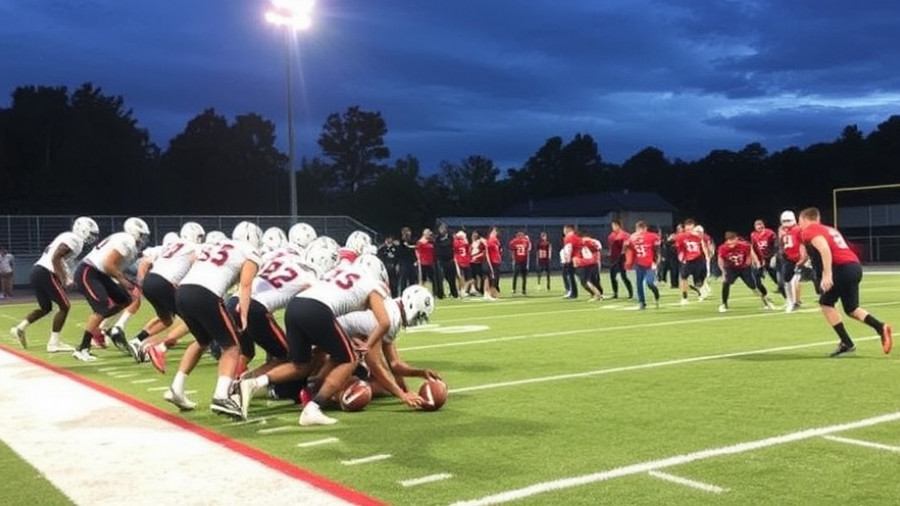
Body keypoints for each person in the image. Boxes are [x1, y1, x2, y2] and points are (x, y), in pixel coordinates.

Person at [236, 255, 421, 426]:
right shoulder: (374, 287)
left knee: (301, 365)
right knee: (349, 360)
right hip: (317, 310)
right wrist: (401, 393)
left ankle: (253, 383)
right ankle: (313, 407)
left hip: (295, 307)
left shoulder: (345, 272)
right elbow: (385, 323)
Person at [163, 221, 262, 417]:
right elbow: (246, 284)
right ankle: (221, 396)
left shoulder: (215, 244)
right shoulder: (250, 251)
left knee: (203, 341)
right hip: (206, 294)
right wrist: (243, 314)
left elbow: (192, 258)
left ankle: (176, 387)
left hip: (183, 291)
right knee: (232, 347)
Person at [797, 207, 893, 357]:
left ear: (804, 219)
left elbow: (825, 249)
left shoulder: (809, 230)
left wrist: (827, 274)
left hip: (840, 268)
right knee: (852, 308)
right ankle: (880, 327)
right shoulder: (828, 229)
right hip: (854, 267)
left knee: (826, 304)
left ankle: (847, 342)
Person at [10, 217, 99, 351]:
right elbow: (56, 257)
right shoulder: (75, 239)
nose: (91, 238)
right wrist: (65, 279)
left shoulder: (67, 237)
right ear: (83, 230)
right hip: (46, 271)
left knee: (46, 308)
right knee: (65, 306)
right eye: (91, 234)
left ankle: (20, 328)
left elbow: (60, 259)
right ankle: (54, 343)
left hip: (38, 270)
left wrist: (67, 275)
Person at [71, 217, 149, 361]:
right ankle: (82, 348)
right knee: (101, 307)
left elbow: (110, 266)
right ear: (135, 232)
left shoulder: (123, 239)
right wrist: (124, 281)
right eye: (142, 235)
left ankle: (100, 327)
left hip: (100, 273)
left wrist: (124, 281)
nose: (144, 239)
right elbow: (108, 265)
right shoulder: (128, 240)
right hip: (89, 271)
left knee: (124, 299)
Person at [126, 222, 205, 363]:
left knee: (166, 319)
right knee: (193, 319)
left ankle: (137, 340)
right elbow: (197, 261)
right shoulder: (194, 247)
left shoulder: (170, 245)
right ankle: (158, 348)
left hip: (150, 281)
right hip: (165, 283)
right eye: (199, 236)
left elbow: (145, 261)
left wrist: (142, 283)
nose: (201, 239)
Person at [716, 232, 776, 313]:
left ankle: (766, 301)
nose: (731, 243)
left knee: (754, 286)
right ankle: (724, 304)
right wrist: (723, 271)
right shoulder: (723, 248)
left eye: (733, 240)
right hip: (731, 268)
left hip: (744, 268)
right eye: (729, 240)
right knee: (725, 283)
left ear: (736, 239)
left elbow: (750, 254)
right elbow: (720, 260)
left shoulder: (744, 245)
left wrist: (755, 262)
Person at [625, 221, 661, 310]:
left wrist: (657, 261)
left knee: (649, 282)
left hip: (650, 263)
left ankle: (655, 292)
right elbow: (628, 250)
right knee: (639, 283)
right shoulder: (632, 237)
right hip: (639, 263)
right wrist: (629, 262)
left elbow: (657, 250)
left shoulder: (651, 236)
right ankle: (642, 302)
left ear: (645, 228)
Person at [675, 219, 710, 304]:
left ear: (694, 227)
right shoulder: (681, 236)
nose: (689, 231)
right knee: (683, 278)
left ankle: (701, 291)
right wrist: (681, 257)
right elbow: (679, 248)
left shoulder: (699, 236)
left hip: (698, 259)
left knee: (698, 281)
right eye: (688, 229)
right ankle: (684, 297)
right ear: (685, 228)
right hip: (687, 260)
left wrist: (707, 257)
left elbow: (705, 245)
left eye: (691, 228)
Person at [750, 218, 782, 296]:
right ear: (755, 227)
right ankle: (761, 289)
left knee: (773, 273)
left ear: (763, 225)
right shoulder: (753, 235)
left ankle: (781, 287)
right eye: (757, 225)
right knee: (756, 273)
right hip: (760, 258)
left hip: (770, 256)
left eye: (760, 225)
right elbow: (753, 247)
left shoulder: (770, 233)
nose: (759, 227)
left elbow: (775, 245)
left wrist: (774, 256)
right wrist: (755, 259)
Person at [573, 231, 604, 301]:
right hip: (596, 262)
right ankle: (600, 294)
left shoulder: (581, 242)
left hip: (586, 263)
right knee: (595, 280)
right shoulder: (596, 241)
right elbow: (599, 249)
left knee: (586, 281)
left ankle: (596, 294)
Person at [607, 220, 633, 299]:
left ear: (618, 226)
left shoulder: (625, 235)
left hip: (622, 258)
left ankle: (630, 293)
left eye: (614, 226)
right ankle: (615, 293)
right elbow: (611, 247)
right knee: (612, 276)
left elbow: (627, 246)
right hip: (613, 258)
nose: (613, 227)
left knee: (623, 276)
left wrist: (623, 254)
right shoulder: (611, 236)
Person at [434, 223, 458, 299]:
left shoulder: (451, 237)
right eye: (440, 229)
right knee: (440, 278)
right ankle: (440, 294)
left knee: (451, 278)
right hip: (441, 261)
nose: (442, 230)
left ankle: (454, 293)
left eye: (443, 228)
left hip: (450, 260)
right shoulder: (437, 239)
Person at [508, 230, 531, 295]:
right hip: (521, 261)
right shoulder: (525, 241)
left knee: (518, 276)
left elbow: (511, 249)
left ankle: (516, 289)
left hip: (520, 261)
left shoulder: (514, 242)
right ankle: (521, 290)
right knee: (521, 276)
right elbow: (529, 248)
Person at [453, 230, 475, 296]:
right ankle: (463, 290)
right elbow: (469, 250)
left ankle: (461, 290)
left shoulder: (455, 242)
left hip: (459, 260)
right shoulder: (464, 242)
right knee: (467, 278)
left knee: (460, 276)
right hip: (465, 260)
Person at [561, 225, 580, 299]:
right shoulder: (576, 236)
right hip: (579, 259)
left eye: (564, 230)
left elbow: (569, 248)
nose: (563, 231)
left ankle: (572, 293)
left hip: (573, 259)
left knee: (570, 276)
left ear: (568, 229)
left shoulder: (568, 237)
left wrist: (567, 260)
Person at [415, 228, 437, 294]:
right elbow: (417, 251)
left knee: (432, 278)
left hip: (430, 262)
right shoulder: (420, 242)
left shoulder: (431, 242)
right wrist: (418, 259)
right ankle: (422, 292)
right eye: (428, 234)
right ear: (425, 234)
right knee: (423, 279)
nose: (429, 235)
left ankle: (433, 292)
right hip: (423, 262)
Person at [397, 227, 417, 293]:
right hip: (403, 263)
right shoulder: (400, 242)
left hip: (412, 262)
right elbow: (399, 253)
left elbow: (415, 250)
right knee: (403, 280)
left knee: (412, 279)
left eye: (408, 232)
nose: (407, 234)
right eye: (405, 232)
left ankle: (413, 293)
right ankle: (403, 294)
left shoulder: (413, 241)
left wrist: (415, 260)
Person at [469, 230, 488, 297]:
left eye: (475, 234)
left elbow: (484, 251)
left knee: (481, 276)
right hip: (472, 262)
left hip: (478, 262)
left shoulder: (481, 241)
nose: (473, 236)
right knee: (472, 276)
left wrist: (476, 257)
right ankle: (473, 289)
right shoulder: (472, 243)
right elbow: (470, 252)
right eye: (473, 234)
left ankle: (482, 289)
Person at [485, 227, 502, 298]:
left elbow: (498, 251)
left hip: (497, 261)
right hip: (493, 262)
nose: (496, 232)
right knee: (493, 278)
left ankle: (494, 293)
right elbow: (487, 253)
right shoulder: (489, 241)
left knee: (496, 278)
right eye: (494, 231)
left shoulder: (496, 241)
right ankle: (491, 293)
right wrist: (489, 263)